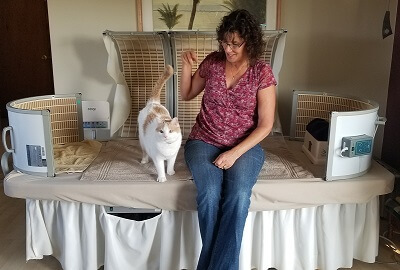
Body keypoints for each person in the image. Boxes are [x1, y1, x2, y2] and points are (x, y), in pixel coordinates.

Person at [180, 9, 277, 270]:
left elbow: (266, 125)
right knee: (210, 194)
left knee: (238, 195)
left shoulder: (261, 72)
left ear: (250, 42)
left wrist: (234, 153)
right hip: (203, 140)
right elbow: (188, 94)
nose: (228, 48)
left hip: (245, 145)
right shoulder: (212, 63)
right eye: (225, 41)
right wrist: (187, 66)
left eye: (235, 43)